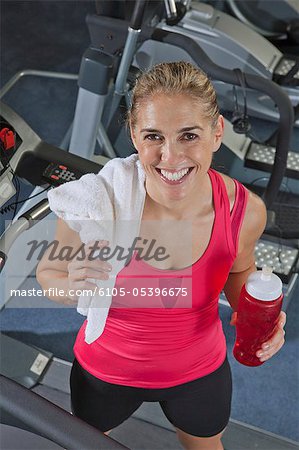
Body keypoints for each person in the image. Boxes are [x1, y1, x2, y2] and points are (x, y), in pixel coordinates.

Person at [36, 61, 286, 450]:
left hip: (200, 370)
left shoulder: (244, 210)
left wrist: (259, 316)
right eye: (154, 136)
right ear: (135, 135)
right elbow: (49, 273)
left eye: (189, 135)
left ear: (216, 132)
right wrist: (70, 287)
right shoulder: (94, 205)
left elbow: (239, 272)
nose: (171, 157)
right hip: (105, 371)